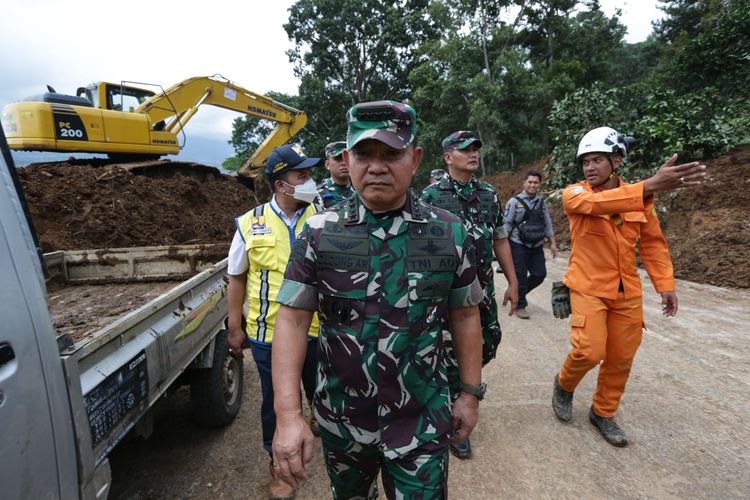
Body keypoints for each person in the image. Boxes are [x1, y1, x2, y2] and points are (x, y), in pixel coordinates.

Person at [271, 101, 485, 498]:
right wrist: (288, 417)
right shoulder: (319, 234)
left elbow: (466, 315)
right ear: (348, 159)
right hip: (342, 421)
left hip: (421, 419)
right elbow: (292, 321)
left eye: (392, 153)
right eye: (364, 154)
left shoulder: (449, 232)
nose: (377, 166)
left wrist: (470, 394)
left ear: (415, 158)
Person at [551, 126, 705, 447]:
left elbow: (653, 245)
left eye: (597, 160)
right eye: (585, 162)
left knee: (621, 357)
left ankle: (603, 412)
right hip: (588, 287)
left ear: (616, 161)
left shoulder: (641, 201)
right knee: (589, 350)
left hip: (627, 293)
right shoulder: (574, 195)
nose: (589, 168)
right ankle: (564, 385)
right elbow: (601, 205)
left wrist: (665, 285)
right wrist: (649, 185)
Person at [226, 143, 322, 499]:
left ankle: (330, 442)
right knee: (276, 404)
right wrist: (235, 328)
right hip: (268, 336)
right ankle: (280, 468)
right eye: (303, 175)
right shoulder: (250, 224)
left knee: (326, 396)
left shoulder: (323, 216)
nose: (311, 181)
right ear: (281, 185)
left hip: (318, 331)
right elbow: (236, 277)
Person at [420, 130, 519, 459]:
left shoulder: (489, 194)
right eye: (465, 150)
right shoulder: (431, 196)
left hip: (482, 287)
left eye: (476, 149)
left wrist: (513, 281)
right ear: (448, 157)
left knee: (487, 342)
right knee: (449, 350)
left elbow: (500, 238)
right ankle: (454, 416)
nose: (473, 154)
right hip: (448, 292)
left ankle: (467, 388)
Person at [503, 170, 558, 319]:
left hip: (536, 244)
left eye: (536, 183)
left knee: (540, 274)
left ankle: (516, 293)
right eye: (530, 182)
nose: (533, 185)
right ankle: (520, 305)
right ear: (524, 183)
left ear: (539, 184)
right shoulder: (514, 202)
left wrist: (553, 243)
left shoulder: (541, 203)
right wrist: (503, 247)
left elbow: (547, 222)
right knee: (520, 276)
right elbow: (507, 224)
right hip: (518, 244)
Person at [317, 140, 355, 208]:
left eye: (347, 158)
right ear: (327, 164)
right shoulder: (319, 194)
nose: (344, 163)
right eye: (338, 159)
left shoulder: (362, 187)